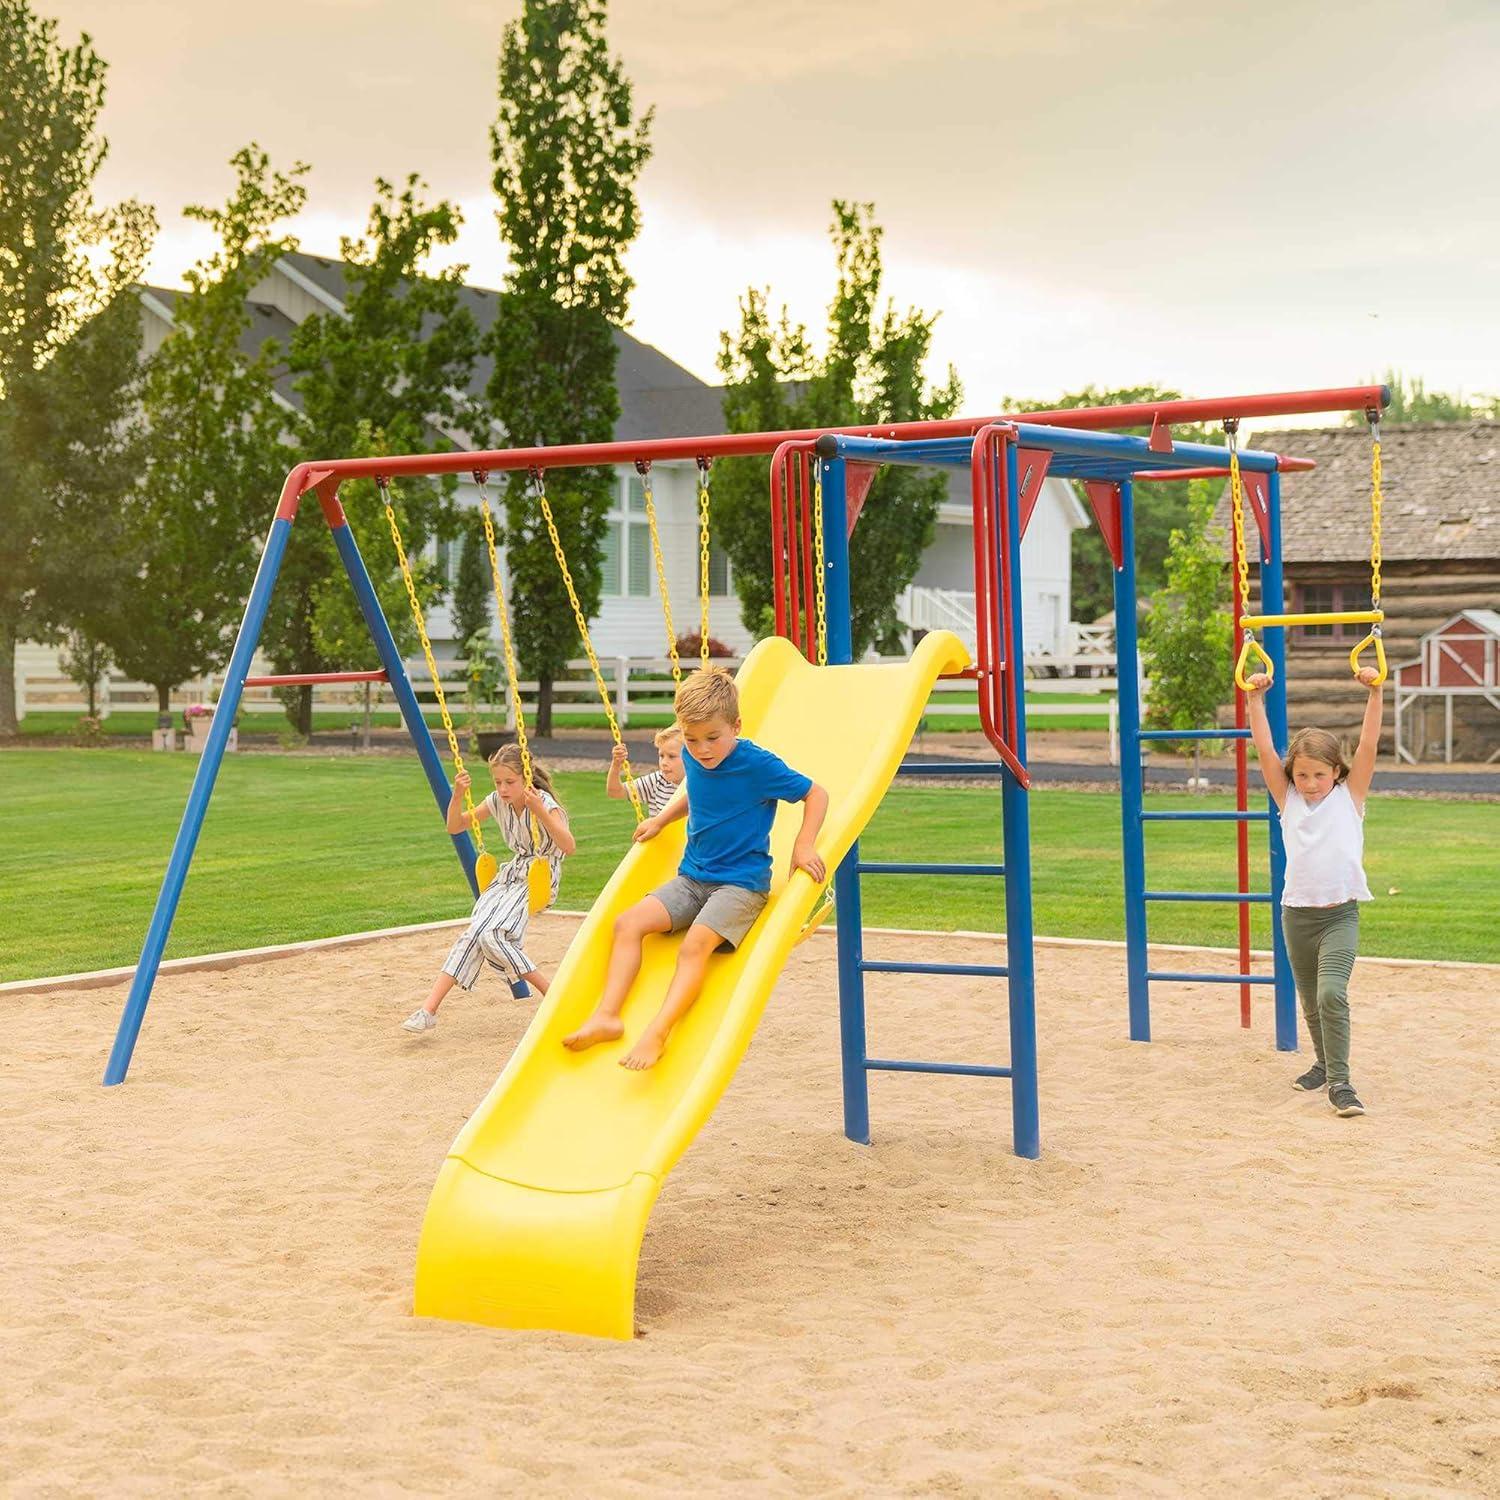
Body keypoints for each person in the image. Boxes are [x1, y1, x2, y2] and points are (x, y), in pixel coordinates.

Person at [563, 665, 827, 1070]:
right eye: (691, 739)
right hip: (692, 878)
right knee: (627, 923)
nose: (701, 749)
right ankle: (608, 1016)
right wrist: (661, 819)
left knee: (694, 946)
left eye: (712, 738)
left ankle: (658, 1031)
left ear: (736, 726)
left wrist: (803, 844)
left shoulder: (757, 765)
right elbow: (696, 795)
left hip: (740, 885)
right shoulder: (690, 753)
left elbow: (816, 794)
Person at [1246, 667, 1384, 1116]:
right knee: (1309, 999)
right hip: (1296, 917)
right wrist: (1254, 699)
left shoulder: (1351, 796)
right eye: (1302, 774)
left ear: (1337, 772)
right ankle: (1323, 1064)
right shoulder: (1287, 800)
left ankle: (1341, 1083)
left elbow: (1368, 745)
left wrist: (1375, 693)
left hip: (1339, 915)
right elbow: (1265, 748)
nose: (1309, 783)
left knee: (1331, 994)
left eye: (1319, 775)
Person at [401, 744, 574, 1034]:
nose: (503, 789)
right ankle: (428, 1010)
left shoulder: (544, 802)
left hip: (540, 875)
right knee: (473, 934)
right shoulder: (496, 801)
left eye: (510, 782)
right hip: (510, 875)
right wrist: (457, 795)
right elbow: (455, 826)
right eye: (498, 782)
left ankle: (552, 993)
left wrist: (539, 811)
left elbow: (568, 846)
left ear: (526, 778)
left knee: (491, 934)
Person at [607, 723, 684, 818]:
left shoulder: (698, 784)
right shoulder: (656, 781)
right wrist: (616, 764)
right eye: (661, 756)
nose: (664, 762)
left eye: (671, 756)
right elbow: (615, 792)